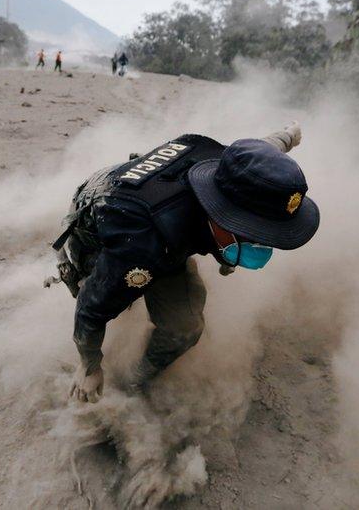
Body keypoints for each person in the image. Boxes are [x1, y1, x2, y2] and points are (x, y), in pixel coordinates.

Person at [48, 122, 319, 402]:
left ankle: (136, 378)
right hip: (100, 226)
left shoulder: (233, 170)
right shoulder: (146, 245)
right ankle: (121, 385)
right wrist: (89, 366)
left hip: (157, 217)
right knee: (115, 293)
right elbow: (91, 309)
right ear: (223, 218)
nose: (263, 242)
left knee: (184, 327)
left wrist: (288, 136)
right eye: (257, 233)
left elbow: (262, 155)